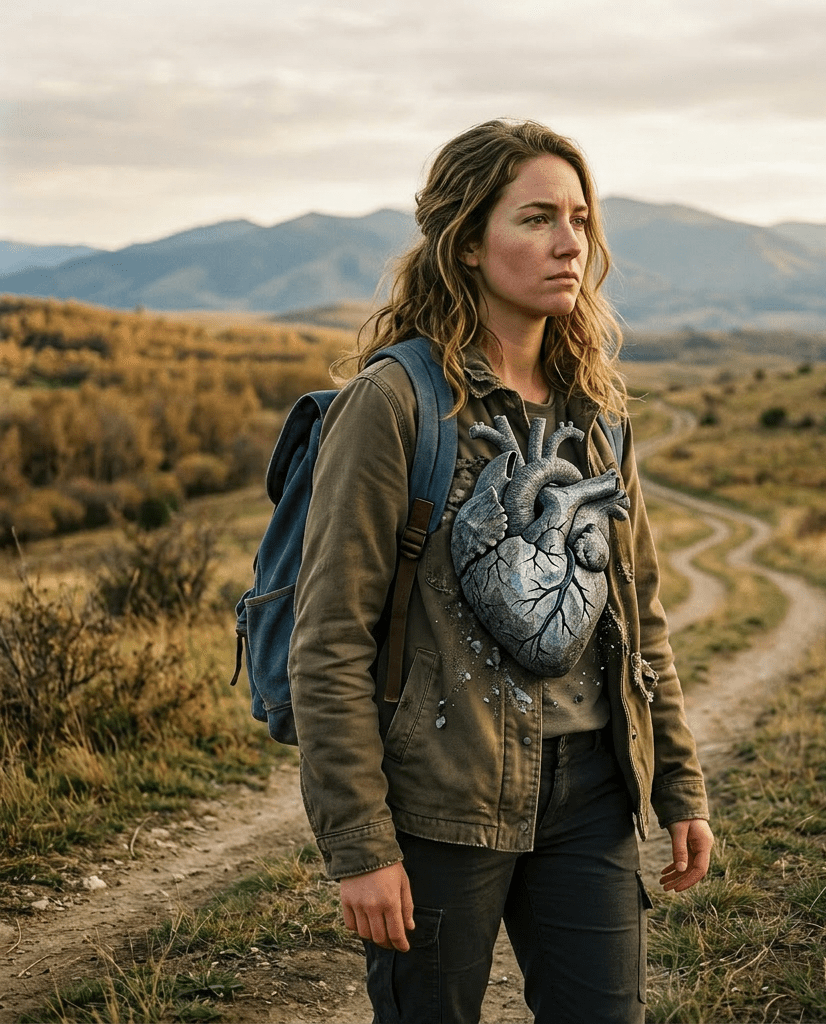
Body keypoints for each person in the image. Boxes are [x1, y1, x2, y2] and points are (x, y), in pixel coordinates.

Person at [289, 118, 712, 1024]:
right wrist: (362, 846)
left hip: (593, 797)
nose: (571, 243)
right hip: (441, 804)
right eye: (536, 219)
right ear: (467, 245)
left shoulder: (596, 409)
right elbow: (327, 642)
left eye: (580, 218)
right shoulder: (394, 404)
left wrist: (677, 782)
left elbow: (639, 617)